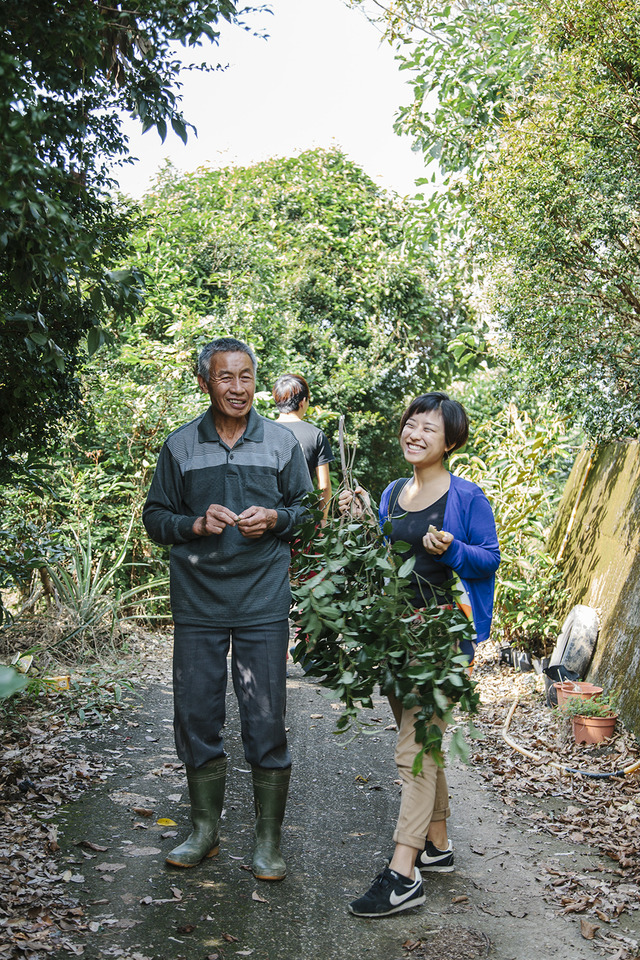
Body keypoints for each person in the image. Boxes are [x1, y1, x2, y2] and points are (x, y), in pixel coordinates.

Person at [142, 336, 312, 881]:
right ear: (204, 383)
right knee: (196, 715)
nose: (237, 388)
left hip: (263, 598)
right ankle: (204, 831)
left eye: (246, 377)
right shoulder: (180, 446)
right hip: (198, 600)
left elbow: (307, 509)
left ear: (255, 382)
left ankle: (267, 842)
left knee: (264, 719)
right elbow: (154, 517)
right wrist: (193, 523)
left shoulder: (282, 444)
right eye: (224, 377)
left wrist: (278, 520)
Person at [339, 392, 500, 918]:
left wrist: (451, 548)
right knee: (420, 743)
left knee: (416, 749)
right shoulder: (392, 491)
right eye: (412, 423)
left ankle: (403, 873)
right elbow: (383, 559)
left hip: (439, 641)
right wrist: (362, 520)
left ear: (450, 442)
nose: (416, 433)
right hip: (395, 637)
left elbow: (487, 560)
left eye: (430, 428)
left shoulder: (467, 497)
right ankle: (439, 843)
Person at [272, 373, 334, 520]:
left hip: (269, 519)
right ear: (303, 401)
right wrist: (322, 520)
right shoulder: (316, 435)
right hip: (302, 520)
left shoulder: (263, 432)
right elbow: (324, 486)